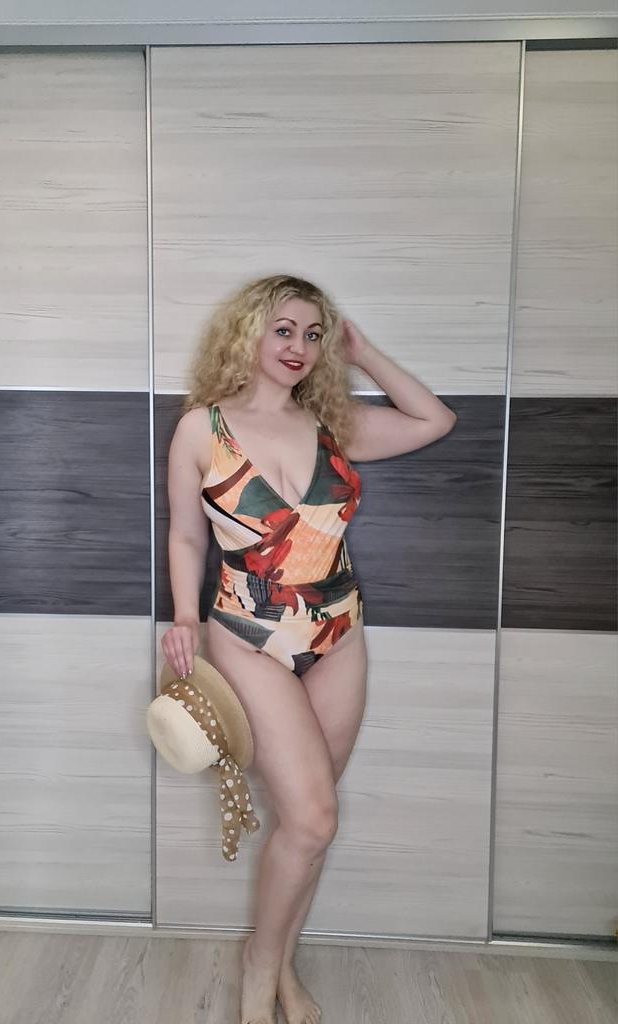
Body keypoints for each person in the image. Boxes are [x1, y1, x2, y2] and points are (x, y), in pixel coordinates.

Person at [162, 274, 457, 1024]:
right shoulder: (202, 428)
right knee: (316, 816)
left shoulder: (333, 424)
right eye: (284, 329)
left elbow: (435, 419)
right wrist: (184, 617)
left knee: (308, 824)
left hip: (339, 634)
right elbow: (188, 534)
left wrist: (364, 352)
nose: (299, 346)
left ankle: (279, 961)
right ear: (249, 333)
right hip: (248, 638)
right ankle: (260, 970)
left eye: (314, 334)